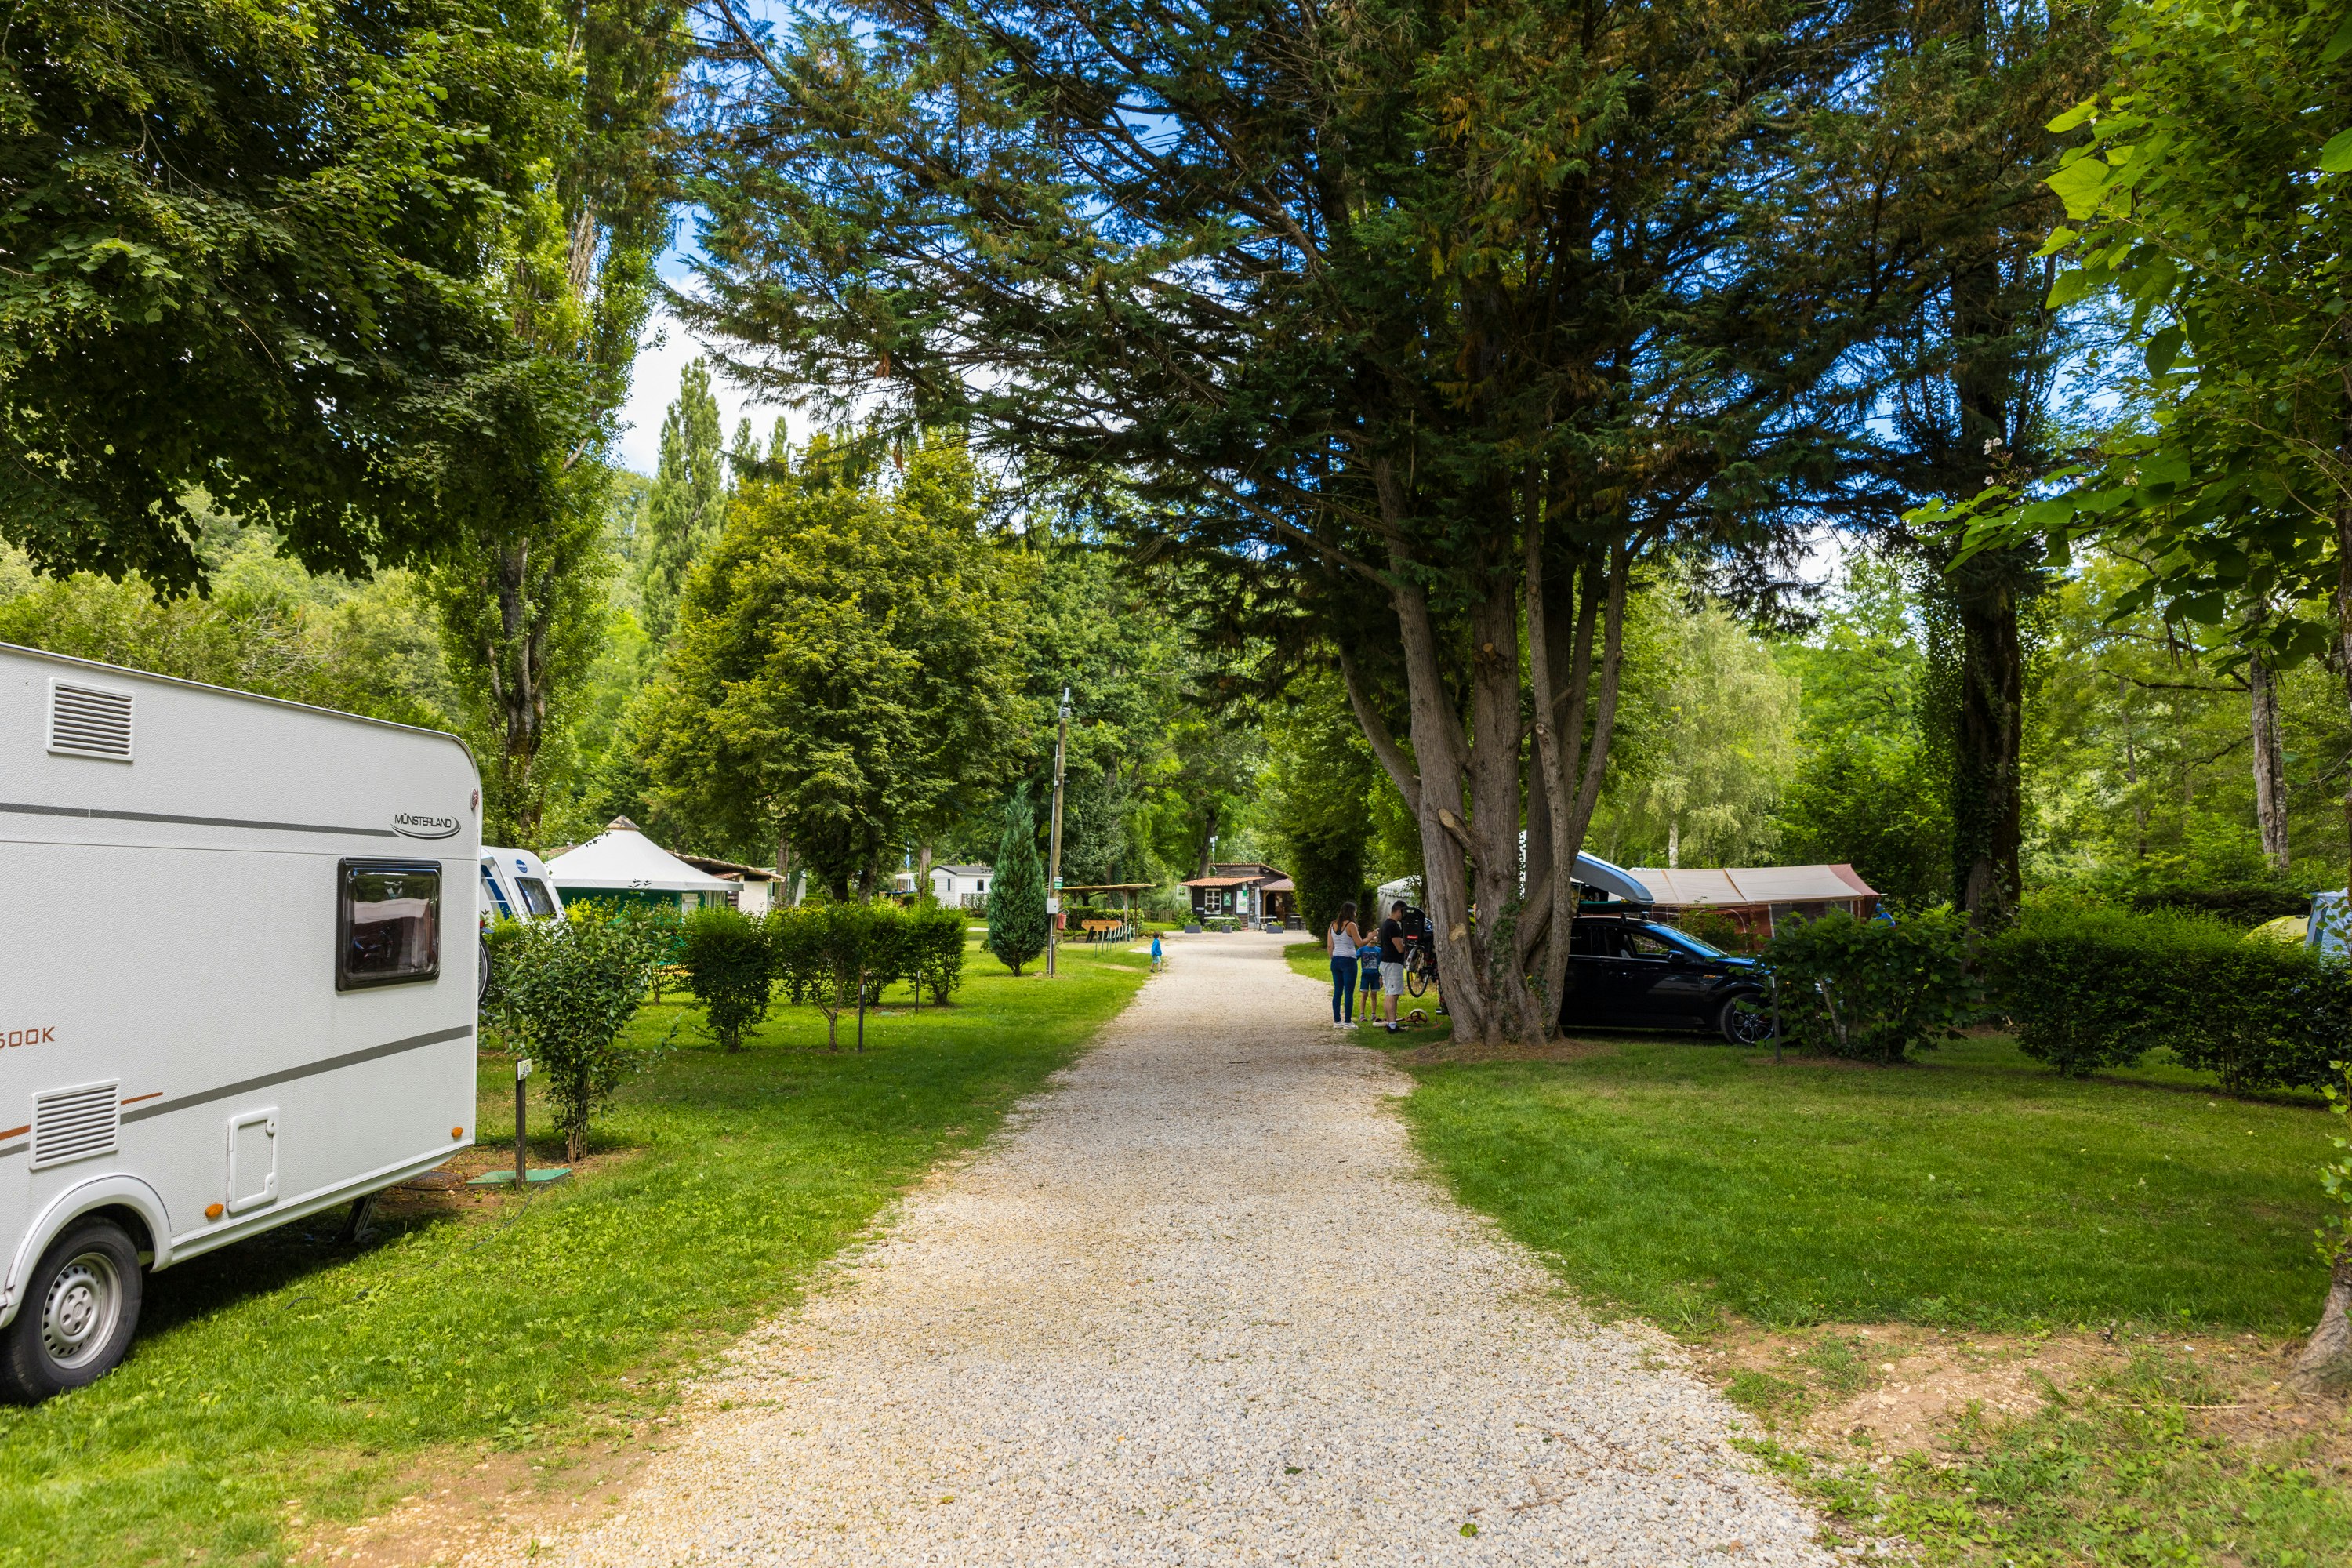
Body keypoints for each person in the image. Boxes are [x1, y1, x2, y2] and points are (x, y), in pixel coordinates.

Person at [1327, 902, 1362, 1026]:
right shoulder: (1351, 925)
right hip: (1349, 960)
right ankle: (1347, 1022)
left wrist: (1333, 958)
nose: (1356, 914)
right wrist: (1372, 936)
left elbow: (1330, 946)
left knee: (1338, 991)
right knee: (1348, 992)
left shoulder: (1332, 925)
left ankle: (1337, 1021)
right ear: (1351, 912)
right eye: (1355, 912)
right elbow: (1360, 943)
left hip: (1336, 960)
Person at [1378, 899, 1409, 1032]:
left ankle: (1390, 1023)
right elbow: (1400, 948)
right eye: (1404, 913)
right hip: (1393, 964)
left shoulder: (1386, 924)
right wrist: (1407, 943)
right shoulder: (1393, 926)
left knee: (1388, 994)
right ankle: (1392, 1025)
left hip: (1385, 962)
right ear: (1399, 911)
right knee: (1393, 995)